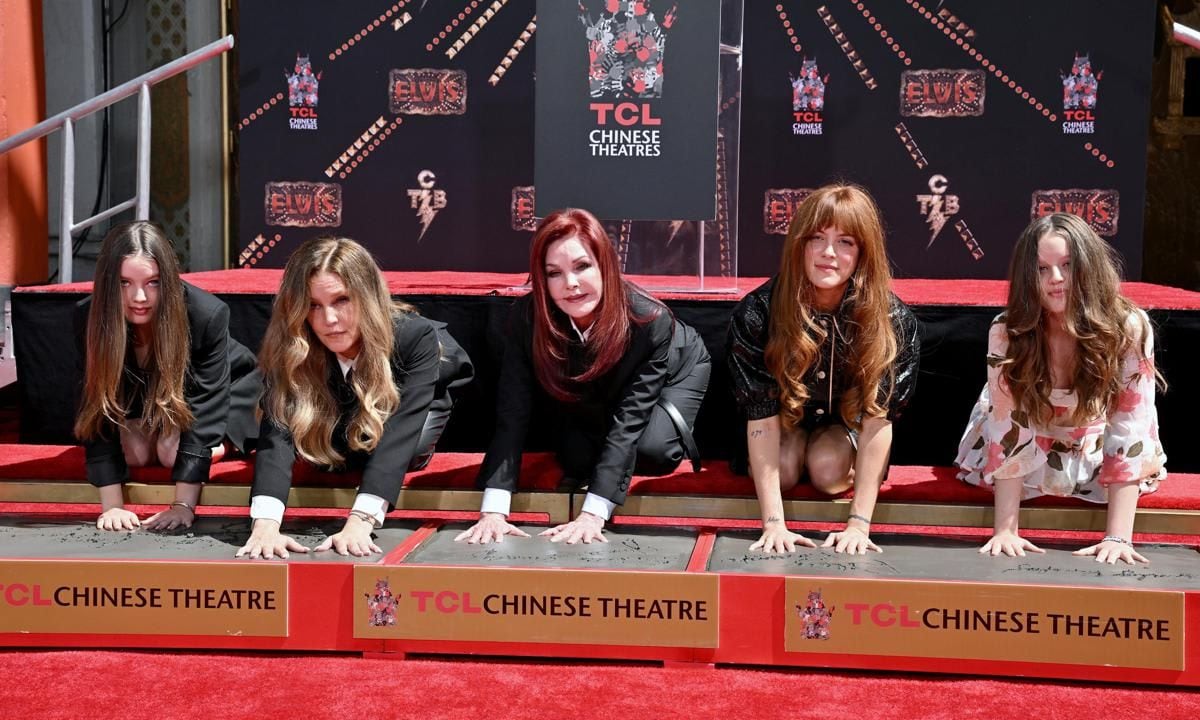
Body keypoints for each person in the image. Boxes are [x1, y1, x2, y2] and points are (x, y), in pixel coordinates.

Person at [455, 208, 711, 545]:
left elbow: (630, 418)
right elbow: (512, 412)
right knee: (576, 460)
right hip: (601, 380)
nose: (570, 284)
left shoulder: (651, 320)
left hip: (677, 368)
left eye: (582, 266)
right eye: (554, 273)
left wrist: (592, 515)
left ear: (604, 263)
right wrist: (493, 511)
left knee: (652, 450)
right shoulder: (527, 318)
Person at [237, 237, 472, 559]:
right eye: (313, 305)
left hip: (413, 393)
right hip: (343, 401)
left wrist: (361, 521)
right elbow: (277, 433)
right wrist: (264, 526)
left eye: (342, 300)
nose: (329, 319)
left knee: (408, 447)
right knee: (323, 448)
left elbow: (400, 432)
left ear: (367, 296)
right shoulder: (293, 341)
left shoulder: (414, 337)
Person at [956, 212, 1166, 564]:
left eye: (1067, 265)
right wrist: (1006, 531)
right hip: (1023, 442)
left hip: (1094, 440)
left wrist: (1117, 538)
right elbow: (1009, 424)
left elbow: (1130, 427)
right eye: (1041, 269)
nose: (1056, 279)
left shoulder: (1129, 326)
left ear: (1089, 266)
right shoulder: (1007, 330)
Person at [727, 184, 920, 554]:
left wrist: (859, 525)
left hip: (844, 429)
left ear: (864, 253)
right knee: (782, 469)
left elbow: (879, 420)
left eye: (846, 242)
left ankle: (822, 453)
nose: (829, 253)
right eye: (817, 238)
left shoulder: (893, 320)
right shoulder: (758, 311)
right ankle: (797, 451)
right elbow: (761, 417)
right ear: (799, 244)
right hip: (780, 421)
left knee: (828, 470)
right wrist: (773, 525)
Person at [75, 221, 259, 531]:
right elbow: (97, 408)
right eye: (123, 283)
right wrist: (112, 507)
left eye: (153, 282)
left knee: (172, 453)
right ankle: (159, 429)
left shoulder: (205, 314)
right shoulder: (88, 317)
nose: (139, 297)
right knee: (133, 454)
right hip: (150, 401)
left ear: (169, 280)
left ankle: (222, 445)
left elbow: (206, 405)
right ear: (108, 282)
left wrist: (183, 505)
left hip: (227, 387)